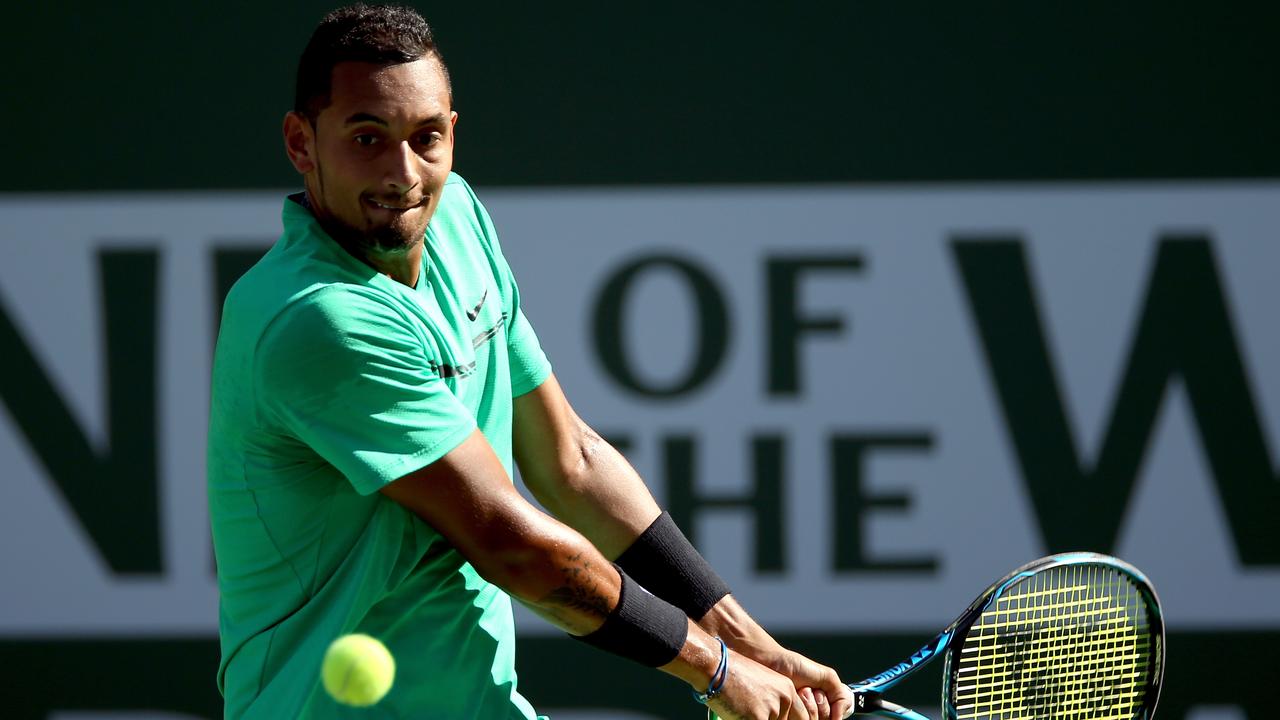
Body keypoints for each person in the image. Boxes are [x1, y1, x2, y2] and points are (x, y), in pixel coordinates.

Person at [208, 5, 854, 719]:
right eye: (367, 138)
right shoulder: (316, 318)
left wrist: (745, 639)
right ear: (302, 143)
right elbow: (510, 543)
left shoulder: (456, 218)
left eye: (425, 139)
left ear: (452, 133)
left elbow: (570, 459)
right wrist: (716, 669)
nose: (402, 175)